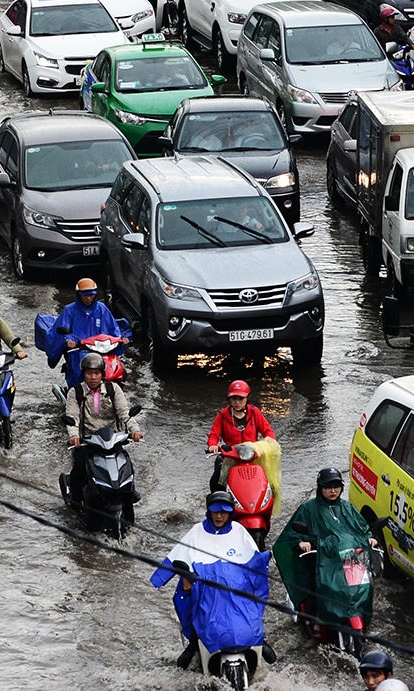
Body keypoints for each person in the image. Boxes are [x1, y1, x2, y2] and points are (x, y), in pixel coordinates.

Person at [150, 492, 265, 668]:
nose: (219, 516)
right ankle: (194, 643)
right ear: (208, 512)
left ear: (230, 513)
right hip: (205, 588)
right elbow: (176, 558)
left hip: (235, 586)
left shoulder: (240, 531)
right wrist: (176, 577)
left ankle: (260, 640)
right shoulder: (196, 531)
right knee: (187, 600)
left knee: (253, 602)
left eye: (224, 512)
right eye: (215, 511)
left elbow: (255, 563)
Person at [278, 466, 381, 632]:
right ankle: (313, 618)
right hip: (322, 561)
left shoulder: (347, 508)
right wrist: (303, 542)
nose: (333, 490)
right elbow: (291, 534)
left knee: (363, 586)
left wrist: (369, 538)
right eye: (328, 487)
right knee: (315, 588)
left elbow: (362, 528)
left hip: (347, 560)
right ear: (320, 487)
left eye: (336, 486)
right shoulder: (308, 508)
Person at [64, 351, 144, 501]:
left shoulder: (114, 389)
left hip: (111, 440)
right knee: (78, 472)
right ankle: (76, 500)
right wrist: (74, 436)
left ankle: (129, 493)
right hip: (87, 442)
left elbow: (124, 413)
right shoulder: (75, 393)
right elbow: (72, 417)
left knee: (126, 466)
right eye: (89, 373)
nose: (93, 377)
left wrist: (135, 430)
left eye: (96, 373)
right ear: (83, 374)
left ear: (102, 374)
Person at [207, 380, 276, 489]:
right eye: (234, 398)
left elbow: (267, 431)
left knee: (269, 484)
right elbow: (214, 434)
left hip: (253, 454)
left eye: (241, 398)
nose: (237, 402)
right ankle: (218, 501)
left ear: (247, 398)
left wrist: (270, 443)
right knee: (217, 480)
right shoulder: (222, 415)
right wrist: (212, 444)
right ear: (229, 399)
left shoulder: (255, 412)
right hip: (230, 455)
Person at [57, 276, 127, 380]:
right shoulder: (69, 310)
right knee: (77, 373)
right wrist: (68, 341)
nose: (88, 298)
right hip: (79, 350)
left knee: (119, 370)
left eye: (91, 295)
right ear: (79, 295)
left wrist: (121, 339)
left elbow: (113, 328)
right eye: (85, 296)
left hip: (102, 349)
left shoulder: (102, 308)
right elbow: (64, 329)